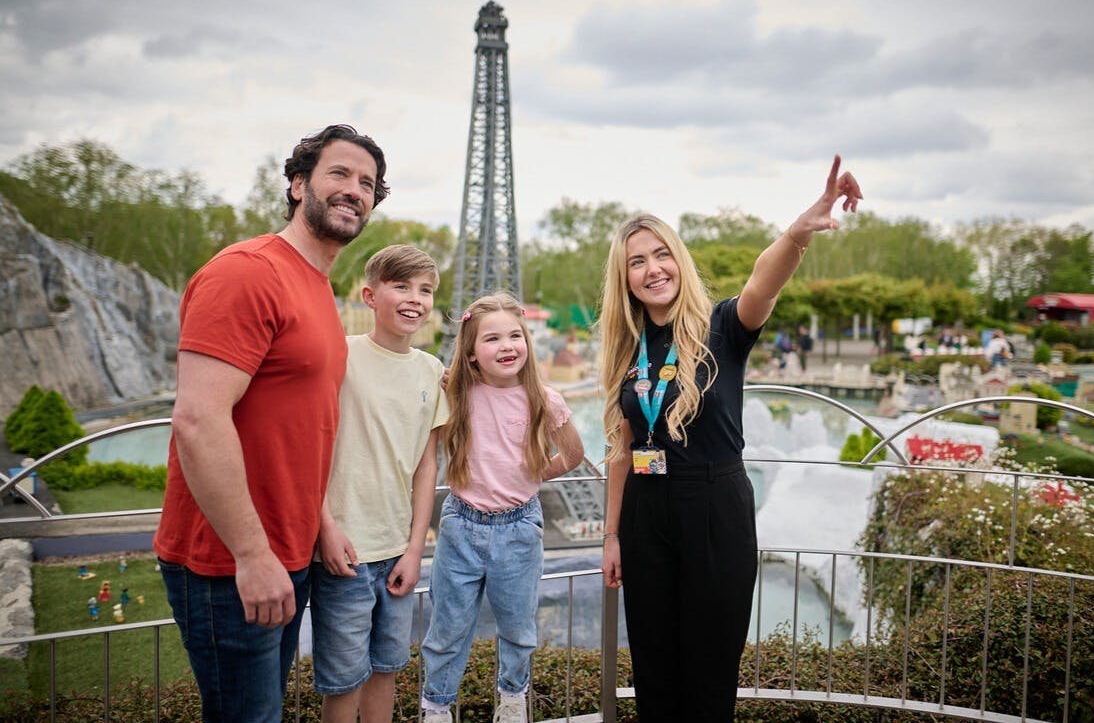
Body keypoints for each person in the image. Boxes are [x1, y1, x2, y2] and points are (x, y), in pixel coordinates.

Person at [598, 156, 861, 722]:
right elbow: (622, 448)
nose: (653, 269)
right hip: (646, 516)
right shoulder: (627, 349)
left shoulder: (724, 326)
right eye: (637, 262)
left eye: (662, 254)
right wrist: (612, 534)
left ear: (680, 261)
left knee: (709, 674)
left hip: (715, 510)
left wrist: (796, 234)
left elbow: (765, 280)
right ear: (625, 278)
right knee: (654, 673)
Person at [154, 124, 388, 723]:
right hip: (227, 563)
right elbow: (199, 419)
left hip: (289, 550)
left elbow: (297, 433)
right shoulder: (248, 273)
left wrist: (319, 523)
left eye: (367, 183)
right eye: (339, 174)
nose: (354, 190)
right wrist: (251, 555)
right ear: (297, 184)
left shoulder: (315, 287)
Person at [420, 293, 586, 723]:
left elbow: (572, 454)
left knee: (517, 629)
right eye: (492, 338)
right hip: (460, 525)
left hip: (518, 528)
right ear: (472, 354)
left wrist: (532, 476)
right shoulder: (456, 391)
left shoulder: (543, 399)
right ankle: (436, 704)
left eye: (515, 335)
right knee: (447, 629)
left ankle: (512, 698)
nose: (507, 345)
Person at [310, 245, 448, 723]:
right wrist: (324, 527)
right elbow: (309, 448)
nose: (415, 298)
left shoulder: (432, 370)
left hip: (396, 552)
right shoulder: (340, 354)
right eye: (401, 286)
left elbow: (427, 465)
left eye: (425, 289)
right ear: (369, 295)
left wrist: (415, 550)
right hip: (344, 550)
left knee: (386, 669)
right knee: (342, 680)